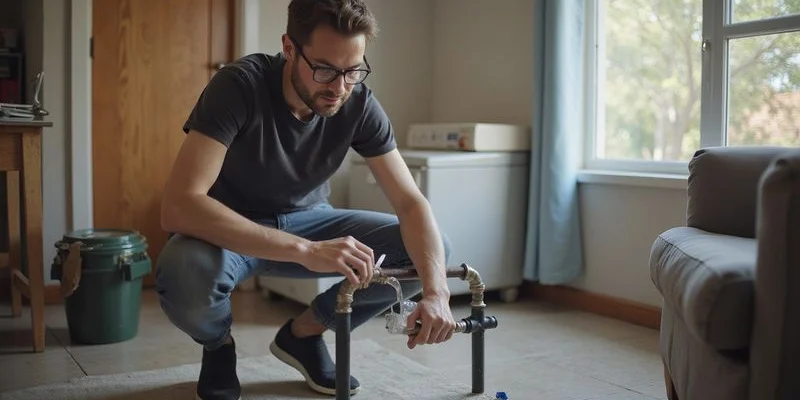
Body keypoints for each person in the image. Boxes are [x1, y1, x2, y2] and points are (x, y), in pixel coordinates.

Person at [154, 0, 455, 399]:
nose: (339, 87)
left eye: (353, 70)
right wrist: (303, 249)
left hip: (310, 219)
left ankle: (304, 334)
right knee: (182, 271)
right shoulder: (239, 85)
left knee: (429, 254)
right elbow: (179, 205)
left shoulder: (359, 102)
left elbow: (411, 204)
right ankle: (219, 346)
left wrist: (438, 292)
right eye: (326, 69)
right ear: (290, 48)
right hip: (230, 231)